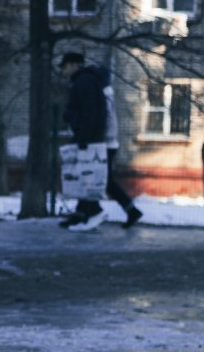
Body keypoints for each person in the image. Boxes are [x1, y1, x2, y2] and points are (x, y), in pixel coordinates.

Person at [58, 52, 142, 231]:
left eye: (64, 67)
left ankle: (93, 211)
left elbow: (90, 113)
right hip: (105, 138)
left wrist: (83, 136)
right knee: (98, 178)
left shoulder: (84, 82)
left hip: (97, 140)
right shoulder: (95, 81)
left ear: (74, 65)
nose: (64, 71)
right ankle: (85, 213)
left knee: (92, 177)